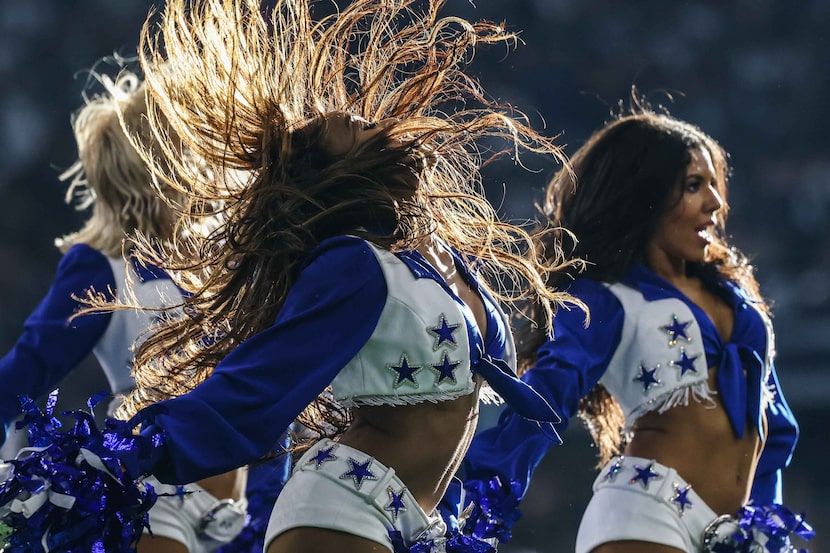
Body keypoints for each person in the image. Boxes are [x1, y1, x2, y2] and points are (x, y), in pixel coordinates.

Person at [0, 0, 574, 552]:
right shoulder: (351, 265)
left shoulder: (431, 258)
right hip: (339, 509)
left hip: (405, 523)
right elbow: (250, 393)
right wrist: (117, 452)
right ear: (333, 177)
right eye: (348, 126)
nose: (368, 119)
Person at [460, 106, 815, 552]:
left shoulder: (738, 301)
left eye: (713, 185)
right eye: (692, 186)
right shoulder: (607, 298)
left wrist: (764, 525)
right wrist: (473, 496)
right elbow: (543, 401)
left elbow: (773, 430)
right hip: (646, 510)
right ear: (643, 194)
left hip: (731, 534)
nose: (715, 203)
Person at [0, 70, 272, 553]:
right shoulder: (102, 266)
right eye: (198, 137)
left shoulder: (232, 266)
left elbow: (267, 398)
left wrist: (269, 505)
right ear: (164, 159)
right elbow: (22, 375)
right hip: (154, 495)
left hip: (240, 508)